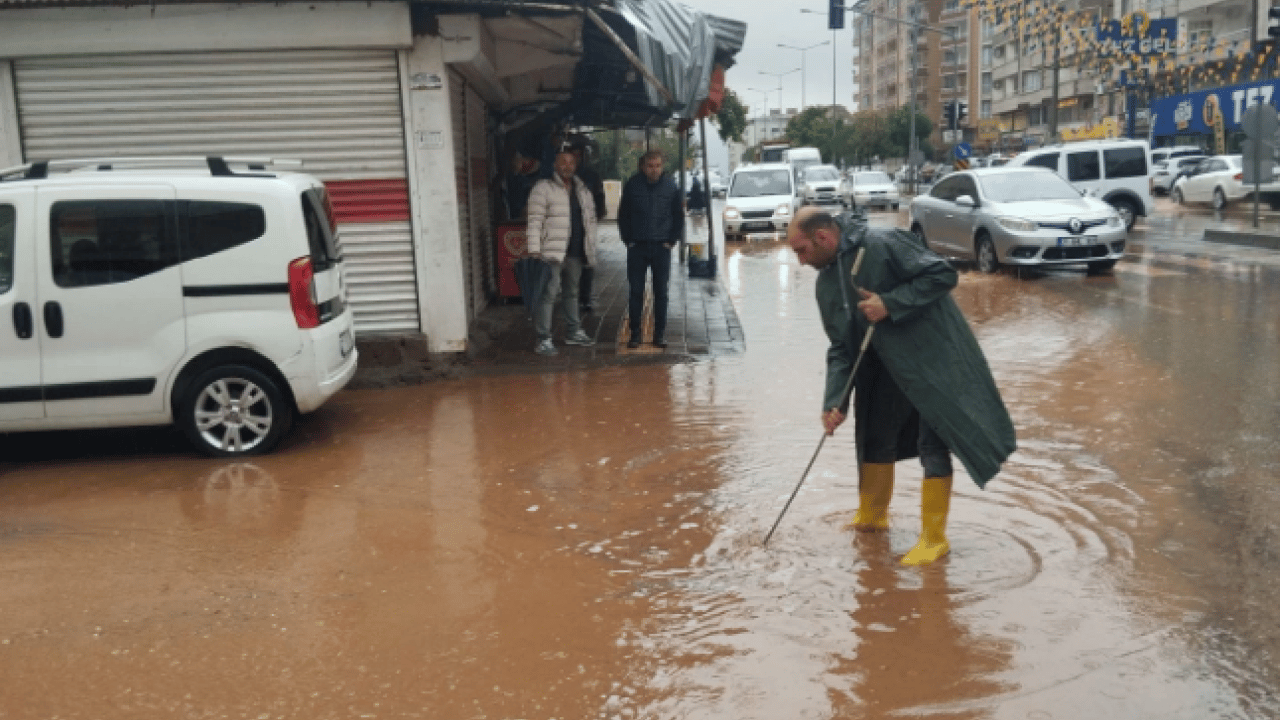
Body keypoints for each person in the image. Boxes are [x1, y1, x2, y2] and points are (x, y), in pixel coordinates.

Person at [786, 206, 1016, 565]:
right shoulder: (826, 285)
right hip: (881, 370)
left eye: (801, 251)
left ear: (823, 238)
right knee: (874, 438)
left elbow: (942, 274)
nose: (800, 261)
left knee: (932, 443)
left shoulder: (883, 243)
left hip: (930, 362)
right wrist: (835, 401)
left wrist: (890, 304)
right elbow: (842, 348)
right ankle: (873, 518)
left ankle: (934, 539)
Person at [525, 149, 599, 356]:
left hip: (576, 251)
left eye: (571, 163)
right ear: (555, 166)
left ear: (576, 166)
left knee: (572, 292)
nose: (567, 166)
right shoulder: (543, 189)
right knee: (547, 294)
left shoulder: (583, 191)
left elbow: (591, 222)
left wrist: (591, 249)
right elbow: (534, 221)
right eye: (563, 162)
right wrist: (534, 249)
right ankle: (543, 339)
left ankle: (573, 331)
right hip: (551, 252)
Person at [617, 150, 683, 349]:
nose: (654, 170)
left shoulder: (671, 187)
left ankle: (659, 334)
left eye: (657, 166)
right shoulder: (633, 185)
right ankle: (635, 334)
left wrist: (671, 241)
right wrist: (628, 239)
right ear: (643, 167)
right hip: (637, 246)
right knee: (636, 291)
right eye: (650, 166)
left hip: (661, 246)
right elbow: (623, 215)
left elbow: (678, 216)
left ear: (662, 166)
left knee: (660, 292)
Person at [570, 143, 607, 315]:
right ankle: (570, 297)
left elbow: (599, 196)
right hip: (568, 225)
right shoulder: (562, 175)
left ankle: (585, 298)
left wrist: (599, 213)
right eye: (575, 154)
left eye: (580, 154)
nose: (578, 158)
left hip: (586, 224)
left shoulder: (591, 176)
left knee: (587, 261)